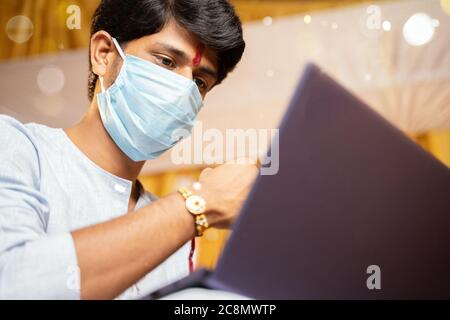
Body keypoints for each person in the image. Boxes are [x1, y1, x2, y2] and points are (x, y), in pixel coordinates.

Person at [0, 0, 258, 300]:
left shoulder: (175, 230)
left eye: (200, 81)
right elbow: (12, 282)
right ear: (103, 55)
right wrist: (200, 203)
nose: (183, 89)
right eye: (166, 61)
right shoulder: (19, 149)